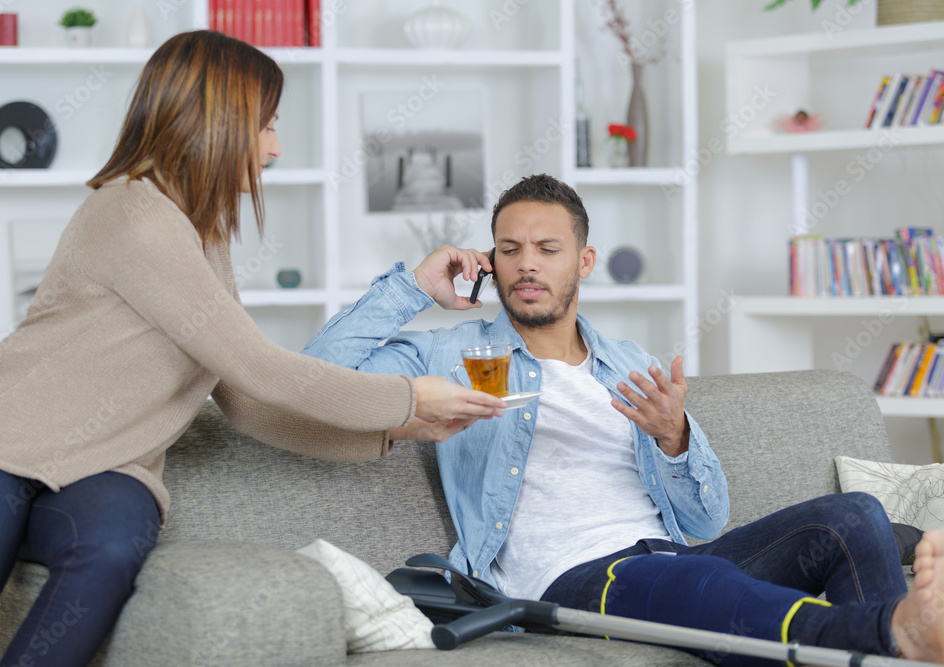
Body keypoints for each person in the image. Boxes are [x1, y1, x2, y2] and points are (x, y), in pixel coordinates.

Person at [0, 31, 507, 667]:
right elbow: (261, 367)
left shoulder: (203, 235)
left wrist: (403, 428)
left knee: (111, 546)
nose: (275, 147)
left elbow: (244, 400)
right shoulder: (133, 214)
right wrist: (408, 396)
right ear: (215, 121)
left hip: (109, 470)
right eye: (266, 125)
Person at [303, 173, 944, 663]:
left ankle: (892, 640)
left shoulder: (630, 364)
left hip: (666, 556)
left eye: (548, 248)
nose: (527, 264)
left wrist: (674, 438)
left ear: (583, 261)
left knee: (853, 516)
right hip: (566, 580)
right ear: (491, 261)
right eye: (509, 249)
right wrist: (415, 286)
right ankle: (893, 634)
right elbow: (315, 376)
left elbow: (706, 519)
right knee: (693, 576)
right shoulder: (453, 355)